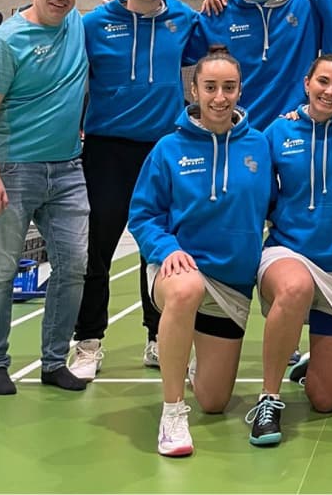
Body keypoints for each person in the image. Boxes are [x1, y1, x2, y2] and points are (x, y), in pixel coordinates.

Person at [128, 46, 272, 457]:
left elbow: (282, 201)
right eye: (210, 87)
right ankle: (172, 412)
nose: (220, 97)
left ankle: (191, 367)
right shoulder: (167, 149)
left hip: (231, 283)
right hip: (179, 267)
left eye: (229, 87)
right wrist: (165, 247)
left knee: (214, 401)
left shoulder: (260, 146)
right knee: (186, 290)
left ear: (240, 90)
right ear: (194, 89)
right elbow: (143, 215)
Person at [68, 0, 201, 380]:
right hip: (107, 149)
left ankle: (157, 338)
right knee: (97, 249)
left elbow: (219, 48)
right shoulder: (93, 23)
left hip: (163, 149)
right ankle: (88, 341)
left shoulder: (184, 19)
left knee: (160, 249)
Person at [0, 0, 90, 395]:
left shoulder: (76, 23)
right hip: (15, 170)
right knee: (1, 271)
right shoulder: (6, 41)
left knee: (73, 266)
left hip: (69, 169)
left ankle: (54, 361)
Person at [248, 54, 332, 448]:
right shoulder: (277, 132)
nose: (329, 91)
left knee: (325, 400)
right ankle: (268, 400)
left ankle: (313, 365)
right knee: (295, 288)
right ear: (307, 83)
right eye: (323, 81)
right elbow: (256, 188)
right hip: (289, 252)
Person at [191, 0, 321, 128]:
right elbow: (177, 51)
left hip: (291, 127)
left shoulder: (306, 7)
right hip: (235, 128)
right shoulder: (220, 7)